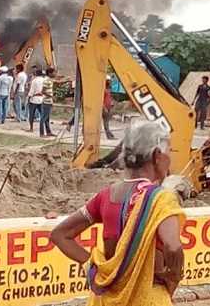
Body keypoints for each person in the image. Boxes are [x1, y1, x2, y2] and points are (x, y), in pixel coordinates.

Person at [50, 120, 185, 305]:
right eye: (170, 152)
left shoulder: (106, 195)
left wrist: (94, 267)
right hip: (147, 297)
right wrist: (173, 278)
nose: (171, 159)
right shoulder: (161, 199)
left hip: (106, 297)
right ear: (157, 156)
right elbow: (173, 246)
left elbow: (60, 234)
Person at [25, 68, 44, 133]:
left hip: (34, 98)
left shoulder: (34, 81)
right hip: (42, 98)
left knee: (31, 114)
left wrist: (29, 97)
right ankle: (43, 127)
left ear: (36, 73)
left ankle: (31, 128)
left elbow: (32, 90)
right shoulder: (44, 80)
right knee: (43, 114)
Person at [40, 68, 56, 137]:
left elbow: (58, 81)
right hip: (46, 101)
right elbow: (43, 91)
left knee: (47, 118)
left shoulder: (50, 80)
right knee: (43, 118)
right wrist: (51, 96)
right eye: (53, 72)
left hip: (49, 102)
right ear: (50, 73)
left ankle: (48, 132)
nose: (54, 74)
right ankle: (41, 133)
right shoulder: (46, 80)